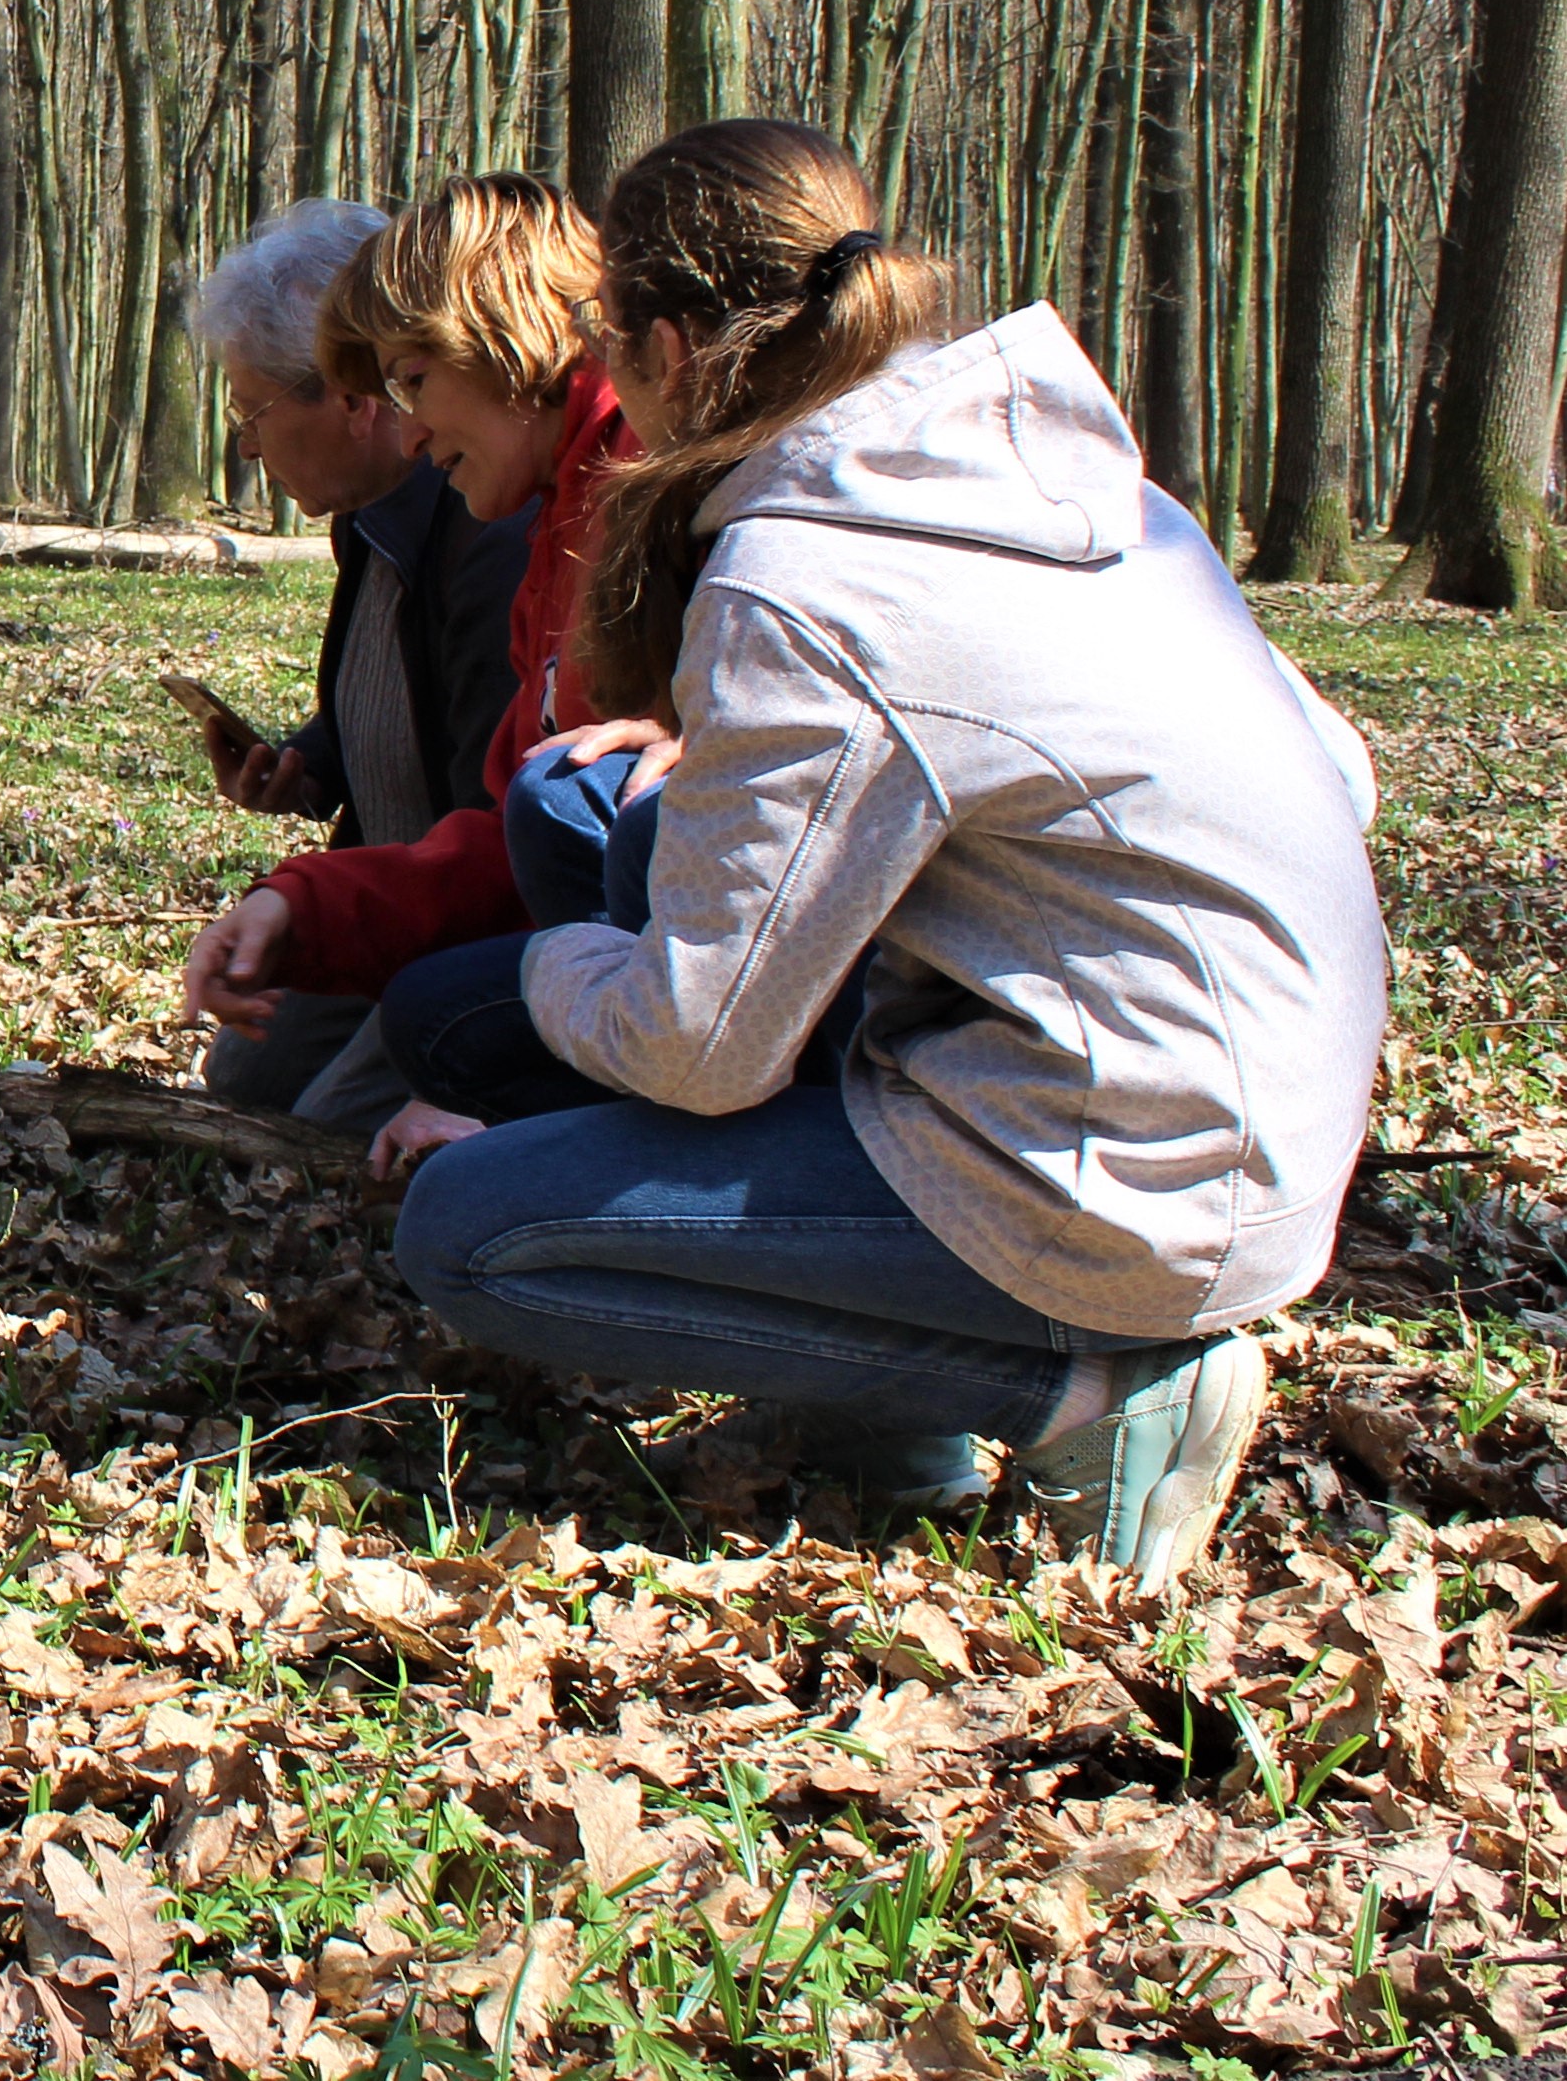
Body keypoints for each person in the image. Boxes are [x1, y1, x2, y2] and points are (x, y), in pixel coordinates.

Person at [384, 121, 1384, 1585]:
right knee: (631, 825)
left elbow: (698, 1046)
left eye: (611, 336)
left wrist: (546, 969)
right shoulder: (1069, 477)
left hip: (1120, 1182)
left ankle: (1095, 1395)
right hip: (1265, 1126)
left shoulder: (803, 575)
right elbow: (1339, 768)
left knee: (469, 1230)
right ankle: (880, 1425)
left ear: (663, 346)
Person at [176, 176, 631, 1096]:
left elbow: (545, 845)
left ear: (500, 346)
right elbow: (499, 816)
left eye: (411, 382)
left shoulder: (561, 524)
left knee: (374, 1123)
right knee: (253, 1078)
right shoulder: (500, 519)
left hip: (583, 969)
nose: (412, 427)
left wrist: (471, 1097)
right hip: (453, 909)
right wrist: (295, 884)